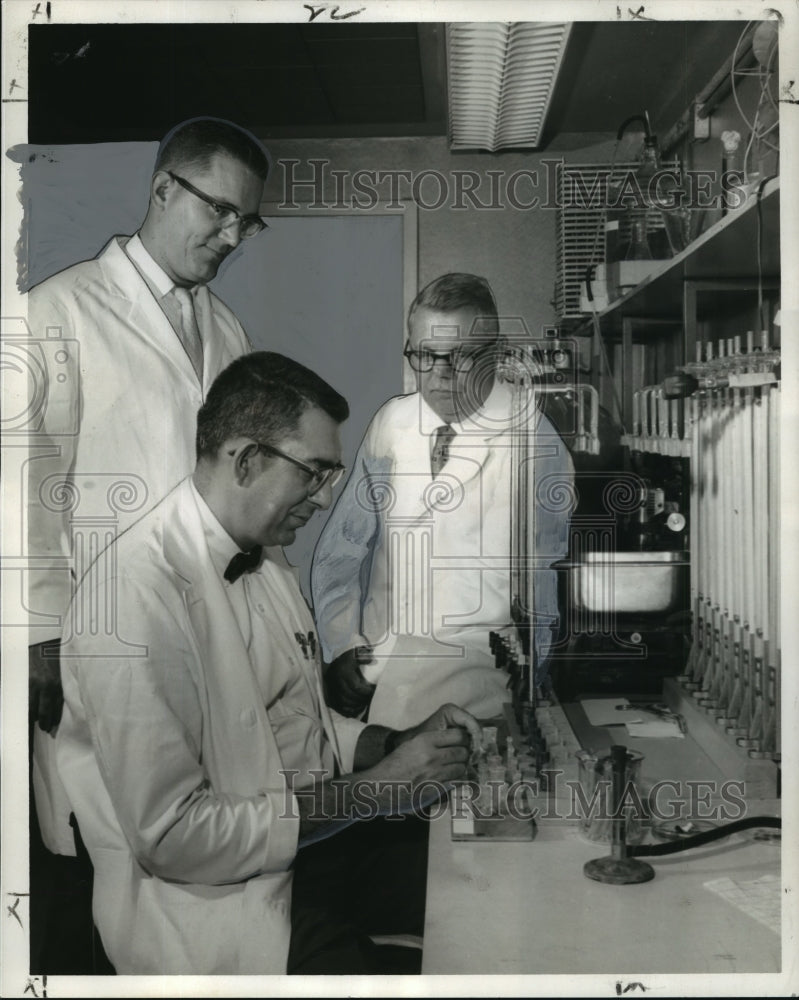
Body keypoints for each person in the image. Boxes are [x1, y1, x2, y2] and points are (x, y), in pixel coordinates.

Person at [55, 352, 479, 975]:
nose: (324, 496)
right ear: (248, 460)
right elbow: (175, 837)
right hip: (210, 911)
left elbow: (281, 723)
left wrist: (392, 743)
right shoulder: (130, 597)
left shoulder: (264, 555)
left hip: (303, 858)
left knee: (470, 900)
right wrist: (374, 792)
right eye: (315, 473)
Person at [26, 116, 270, 971]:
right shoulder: (59, 311)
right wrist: (41, 636)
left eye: (248, 222)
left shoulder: (229, 333)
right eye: (221, 212)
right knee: (111, 866)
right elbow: (22, 481)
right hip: (98, 641)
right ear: (164, 189)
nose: (233, 236)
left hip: (204, 633)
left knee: (195, 871)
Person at [311, 273, 574, 727]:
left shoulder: (533, 440)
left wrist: (533, 684)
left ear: (496, 351)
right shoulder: (392, 423)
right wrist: (342, 647)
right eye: (423, 356)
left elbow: (543, 587)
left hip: (481, 682)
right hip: (380, 668)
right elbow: (342, 552)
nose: (439, 376)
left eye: (461, 357)